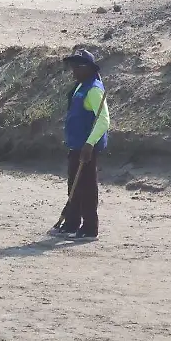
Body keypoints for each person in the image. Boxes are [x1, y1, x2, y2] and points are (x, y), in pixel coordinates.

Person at [51, 49, 111, 241]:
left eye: (77, 66)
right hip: (76, 144)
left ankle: (90, 228)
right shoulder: (80, 86)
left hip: (86, 147)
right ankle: (72, 222)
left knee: (87, 187)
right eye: (72, 66)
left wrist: (89, 144)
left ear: (88, 68)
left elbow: (104, 120)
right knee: (74, 186)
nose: (73, 70)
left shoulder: (94, 89)